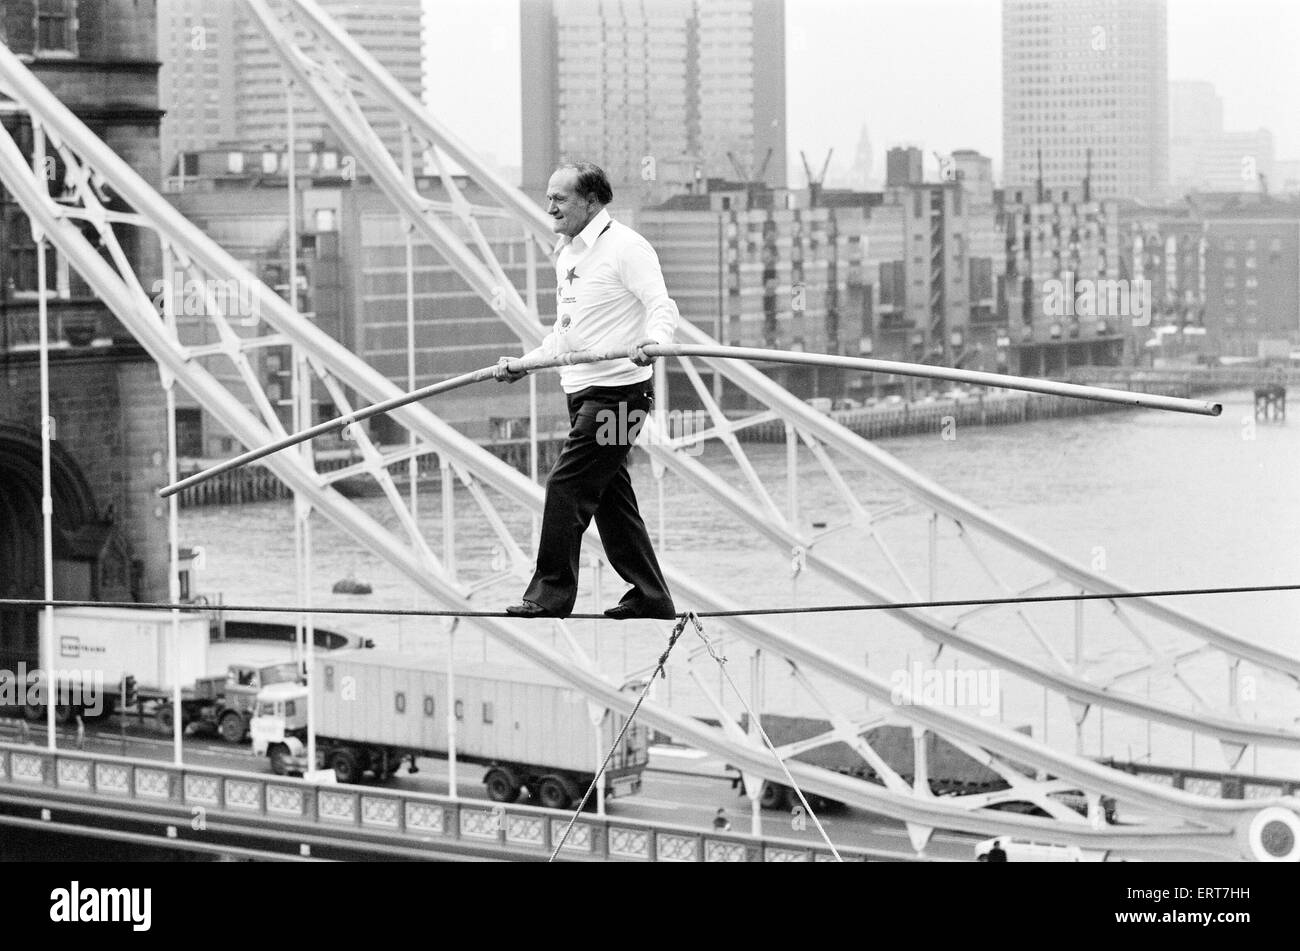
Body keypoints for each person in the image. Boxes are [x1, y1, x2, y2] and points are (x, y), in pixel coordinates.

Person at [497, 162, 677, 622]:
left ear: (592, 202)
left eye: (560, 198)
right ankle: (650, 595)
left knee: (566, 484)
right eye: (549, 196)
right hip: (582, 393)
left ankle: (550, 593)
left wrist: (654, 343)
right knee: (612, 503)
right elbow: (567, 339)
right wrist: (524, 365)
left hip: (620, 396)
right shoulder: (567, 254)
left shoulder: (626, 248)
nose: (549, 206)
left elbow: (661, 305)